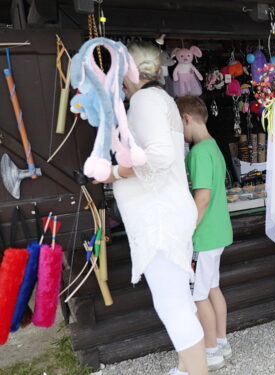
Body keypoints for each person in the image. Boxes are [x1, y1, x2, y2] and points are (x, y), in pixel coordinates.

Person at [98, 42, 207, 375]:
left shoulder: (145, 100)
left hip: (160, 219)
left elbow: (159, 156)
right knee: (178, 302)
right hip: (166, 213)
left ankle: (196, 371)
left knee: (172, 304)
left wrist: (114, 172)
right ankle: (187, 369)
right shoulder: (158, 99)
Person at [176, 96, 234, 371]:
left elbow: (202, 198)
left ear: (186, 118)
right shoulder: (214, 147)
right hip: (218, 232)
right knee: (212, 288)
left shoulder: (198, 152)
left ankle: (211, 350)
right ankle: (221, 341)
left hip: (202, 236)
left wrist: (187, 232)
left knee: (199, 296)